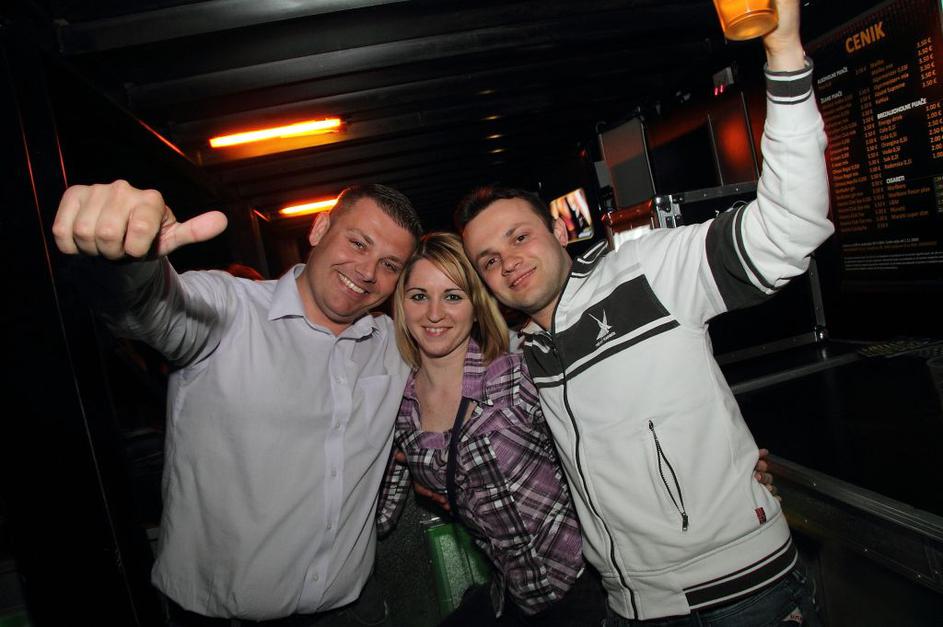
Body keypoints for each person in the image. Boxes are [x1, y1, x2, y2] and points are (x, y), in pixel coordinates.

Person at [457, 1, 827, 624]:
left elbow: (788, 229)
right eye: (489, 260)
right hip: (632, 607)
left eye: (519, 237)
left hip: (742, 594)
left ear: (558, 229)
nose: (509, 262)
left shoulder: (645, 271)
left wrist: (785, 55)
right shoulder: (524, 355)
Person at [51, 180, 422, 625]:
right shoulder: (230, 309)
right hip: (218, 617)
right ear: (320, 229)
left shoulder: (395, 345)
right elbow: (149, 308)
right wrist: (128, 260)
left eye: (389, 265)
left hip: (349, 612)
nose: (367, 271)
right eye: (358, 243)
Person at [375, 233, 606, 626]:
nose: (434, 313)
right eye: (418, 296)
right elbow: (380, 515)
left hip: (586, 585)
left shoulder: (517, 375)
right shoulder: (399, 407)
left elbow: (603, 445)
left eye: (452, 296)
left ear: (477, 306)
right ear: (401, 304)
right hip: (514, 597)